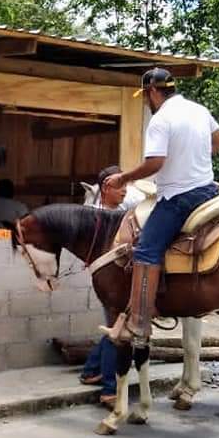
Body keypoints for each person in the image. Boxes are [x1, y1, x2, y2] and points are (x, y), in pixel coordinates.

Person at [101, 67, 219, 345]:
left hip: (179, 196)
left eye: (146, 96)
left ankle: (139, 322)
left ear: (153, 91)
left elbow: (155, 163)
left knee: (146, 249)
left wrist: (123, 177)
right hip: (208, 191)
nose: (146, 101)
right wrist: (192, 155)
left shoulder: (161, 120)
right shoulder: (198, 110)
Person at [80, 165, 141, 405]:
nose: (125, 192)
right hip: (108, 280)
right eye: (120, 187)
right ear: (106, 188)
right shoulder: (94, 215)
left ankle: (90, 371)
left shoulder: (125, 210)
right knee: (116, 331)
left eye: (126, 186)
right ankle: (109, 389)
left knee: (114, 327)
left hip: (122, 279)